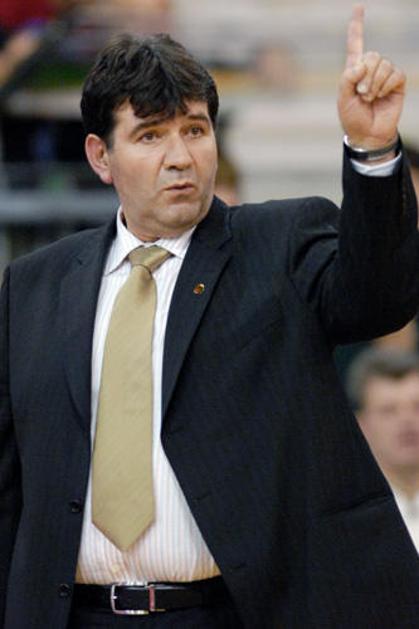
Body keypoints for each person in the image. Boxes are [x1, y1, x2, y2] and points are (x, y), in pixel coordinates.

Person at [1, 5, 419, 628]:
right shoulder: (33, 286)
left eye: (194, 130)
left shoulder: (279, 241)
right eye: (150, 136)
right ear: (100, 156)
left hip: (236, 613)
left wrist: (372, 149)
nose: (180, 157)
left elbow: (379, 298)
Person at [346, 348, 419, 552]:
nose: (406, 420)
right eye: (389, 410)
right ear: (361, 425)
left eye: (417, 407)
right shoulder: (347, 520)